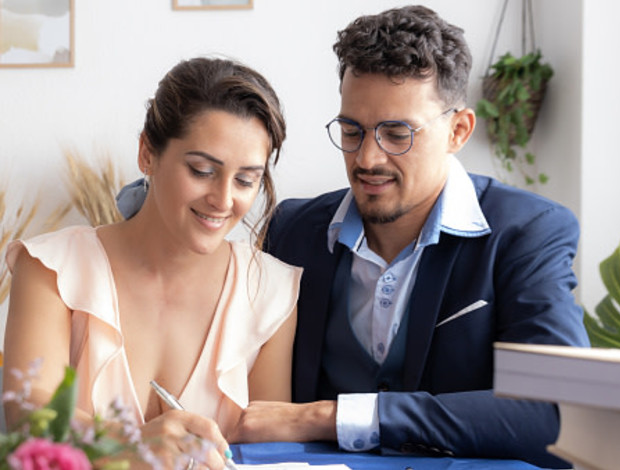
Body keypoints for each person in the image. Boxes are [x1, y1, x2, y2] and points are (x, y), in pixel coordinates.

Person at [116, 6, 589, 468]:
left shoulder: (526, 233)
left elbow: (558, 412)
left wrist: (330, 416)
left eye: (396, 133)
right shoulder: (293, 231)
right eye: (351, 130)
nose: (367, 158)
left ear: (458, 130)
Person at [3, 57, 302, 469]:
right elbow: (30, 418)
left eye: (246, 180)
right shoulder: (51, 269)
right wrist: (133, 444)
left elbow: (265, 450)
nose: (223, 199)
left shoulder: (270, 290)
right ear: (147, 153)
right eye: (201, 170)